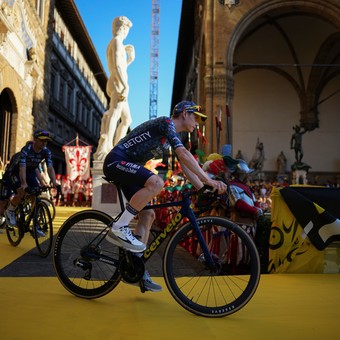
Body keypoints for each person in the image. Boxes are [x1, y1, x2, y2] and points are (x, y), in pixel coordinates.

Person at [103, 100, 227, 292]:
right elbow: (184, 154)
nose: (198, 123)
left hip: (128, 168)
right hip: (116, 161)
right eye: (196, 117)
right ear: (184, 113)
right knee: (156, 183)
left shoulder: (169, 137)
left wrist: (203, 188)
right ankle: (119, 226)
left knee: (148, 215)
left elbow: (185, 166)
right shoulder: (166, 123)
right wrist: (209, 181)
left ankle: (136, 269)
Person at [0, 130, 58, 234]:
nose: (44, 143)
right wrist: (23, 183)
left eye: (46, 141)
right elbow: (22, 168)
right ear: (35, 140)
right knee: (21, 190)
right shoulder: (26, 150)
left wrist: (53, 181)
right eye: (42, 140)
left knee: (35, 196)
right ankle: (11, 210)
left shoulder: (46, 151)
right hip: (14, 173)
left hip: (29, 172)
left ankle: (35, 225)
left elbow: (49, 167)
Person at [94, 16, 135, 161]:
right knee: (115, 114)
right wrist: (124, 85)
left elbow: (120, 66)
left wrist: (129, 59)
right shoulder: (117, 42)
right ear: (123, 28)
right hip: (119, 84)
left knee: (126, 119)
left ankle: (116, 146)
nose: (126, 33)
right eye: (127, 30)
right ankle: (108, 147)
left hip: (117, 82)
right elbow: (117, 66)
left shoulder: (115, 43)